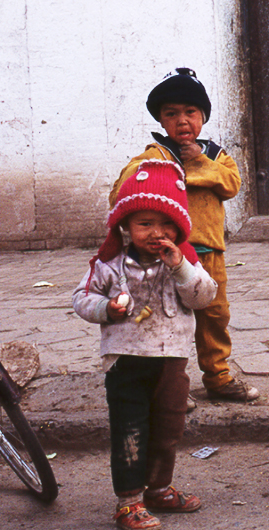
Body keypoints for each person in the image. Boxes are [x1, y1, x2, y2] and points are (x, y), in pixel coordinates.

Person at [73, 159, 218, 530]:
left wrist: (181, 267)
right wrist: (106, 308)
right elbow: (81, 298)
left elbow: (204, 297)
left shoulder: (182, 261)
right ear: (125, 225)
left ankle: (158, 489)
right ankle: (129, 502)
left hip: (171, 363)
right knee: (130, 430)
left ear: (180, 226)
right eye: (145, 223)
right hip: (127, 362)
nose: (157, 232)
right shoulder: (109, 265)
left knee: (168, 430)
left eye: (166, 223)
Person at [110, 68, 259, 402]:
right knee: (166, 317)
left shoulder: (216, 156)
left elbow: (231, 185)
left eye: (190, 112)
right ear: (161, 121)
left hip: (209, 253)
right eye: (171, 114)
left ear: (203, 117)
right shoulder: (153, 156)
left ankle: (218, 377)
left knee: (214, 315)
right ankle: (168, 386)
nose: (182, 121)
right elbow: (122, 191)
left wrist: (201, 163)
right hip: (166, 256)